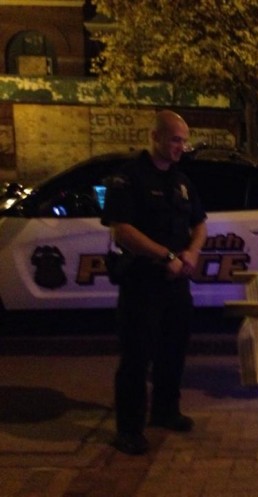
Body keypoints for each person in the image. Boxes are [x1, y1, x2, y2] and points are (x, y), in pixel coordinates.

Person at [101, 110, 208, 455]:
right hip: (142, 282)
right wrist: (166, 257)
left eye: (184, 139)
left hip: (176, 283)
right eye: (175, 139)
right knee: (136, 357)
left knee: (173, 351)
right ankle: (129, 430)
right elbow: (123, 230)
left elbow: (200, 223)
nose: (181, 146)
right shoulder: (129, 177)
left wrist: (192, 252)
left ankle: (165, 411)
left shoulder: (181, 180)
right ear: (156, 137)